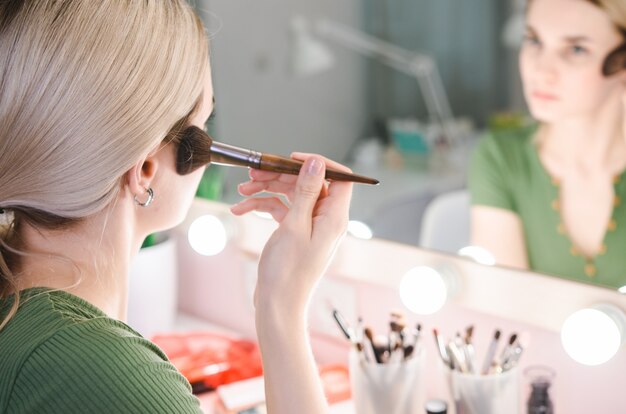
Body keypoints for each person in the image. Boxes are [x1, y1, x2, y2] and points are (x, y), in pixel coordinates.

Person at [0, 1, 352, 413]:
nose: (205, 138)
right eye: (202, 123)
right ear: (146, 168)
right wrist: (282, 310)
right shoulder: (109, 377)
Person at [469, 0, 626, 289]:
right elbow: (508, 310)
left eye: (576, 49)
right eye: (534, 40)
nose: (540, 71)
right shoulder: (501, 158)